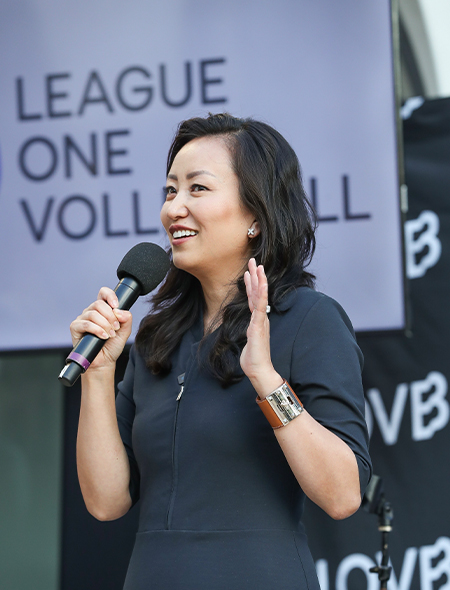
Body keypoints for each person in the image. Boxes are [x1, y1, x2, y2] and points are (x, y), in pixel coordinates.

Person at [71, 113, 371, 590]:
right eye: (171, 191)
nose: (175, 209)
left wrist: (268, 381)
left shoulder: (308, 319)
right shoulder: (156, 336)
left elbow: (342, 494)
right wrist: (98, 373)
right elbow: (107, 503)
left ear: (255, 214)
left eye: (198, 189)